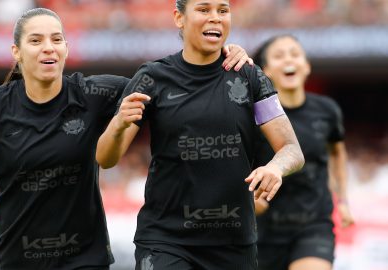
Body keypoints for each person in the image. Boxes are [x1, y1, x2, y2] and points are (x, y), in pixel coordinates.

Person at [0, 7, 254, 270]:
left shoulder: (94, 93)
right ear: (16, 52)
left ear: (65, 48)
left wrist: (216, 56)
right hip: (17, 258)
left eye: (56, 39)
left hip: (85, 259)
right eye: (36, 40)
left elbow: (169, 86)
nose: (48, 46)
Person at [96, 1, 305, 269]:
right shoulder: (152, 77)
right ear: (179, 18)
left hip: (233, 244)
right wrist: (119, 125)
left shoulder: (250, 77)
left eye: (223, 10)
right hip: (166, 241)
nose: (215, 18)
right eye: (204, 10)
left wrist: (275, 168)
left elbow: (292, 150)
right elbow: (105, 158)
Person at [252, 34, 355, 270]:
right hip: (262, 229)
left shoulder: (327, 110)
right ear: (265, 70)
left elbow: (337, 153)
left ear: (306, 66)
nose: (289, 60)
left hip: (313, 224)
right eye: (279, 56)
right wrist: (247, 199)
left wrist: (343, 200)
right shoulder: (252, 116)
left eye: (295, 54)